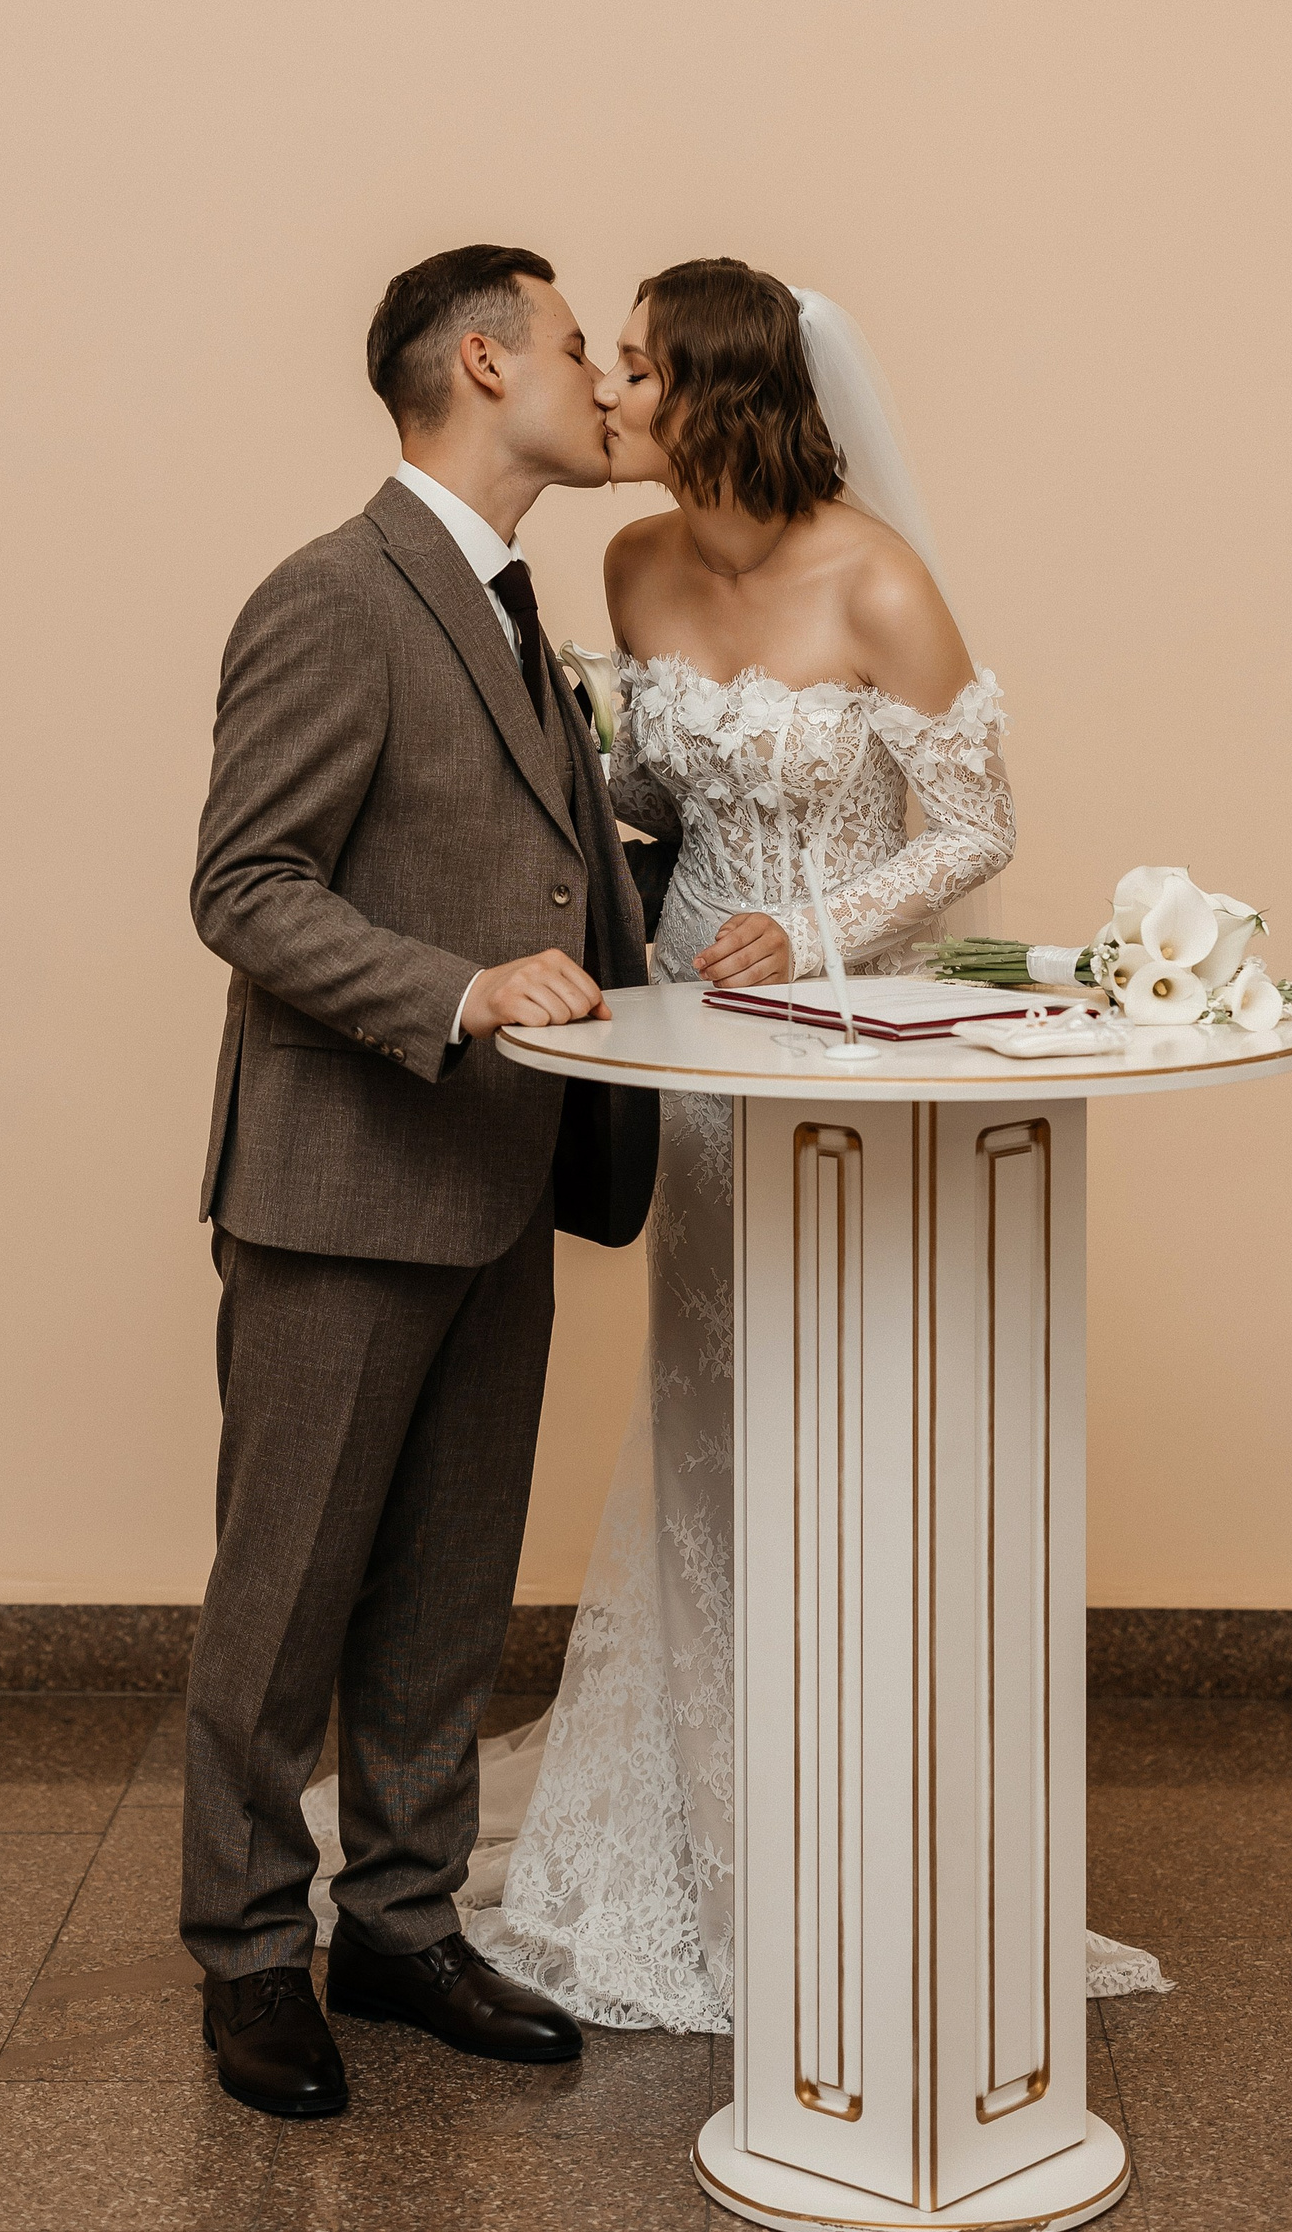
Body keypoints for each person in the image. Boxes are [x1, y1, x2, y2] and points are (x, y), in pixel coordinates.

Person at [472, 257, 1166, 2026]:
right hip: (694, 1035)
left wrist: (819, 929)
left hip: (848, 1025)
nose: (608, 390)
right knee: (710, 1403)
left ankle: (872, 1816)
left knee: (849, 1398)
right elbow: (656, 793)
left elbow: (975, 824)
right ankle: (716, 1833)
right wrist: (573, 770)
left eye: (638, 366)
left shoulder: (876, 576)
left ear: (718, 394)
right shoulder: (631, 565)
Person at [179, 243, 652, 2119]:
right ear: (482, 360)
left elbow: (537, 855)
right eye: (572, 344)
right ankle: (245, 1952)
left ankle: (397, 1921)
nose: (603, 380)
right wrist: (458, 990)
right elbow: (245, 884)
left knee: (452, 1587)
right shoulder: (335, 593)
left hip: (495, 1179)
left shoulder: (520, 611)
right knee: (286, 1593)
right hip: (340, 1184)